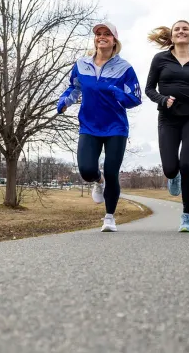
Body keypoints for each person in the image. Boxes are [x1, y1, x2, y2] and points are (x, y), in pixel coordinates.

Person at [57, 20, 142, 232]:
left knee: (113, 172)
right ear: (95, 39)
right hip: (89, 126)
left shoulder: (125, 68)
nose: (101, 37)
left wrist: (119, 93)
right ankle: (97, 179)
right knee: (86, 170)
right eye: (98, 34)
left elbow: (136, 98)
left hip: (115, 128)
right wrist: (65, 101)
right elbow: (74, 88)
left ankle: (109, 217)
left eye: (107, 34)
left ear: (114, 41)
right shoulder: (81, 64)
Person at [145, 20, 189, 232]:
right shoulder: (160, 59)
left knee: (187, 164)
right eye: (177, 30)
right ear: (172, 37)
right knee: (171, 168)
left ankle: (187, 215)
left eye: (186, 29)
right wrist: (163, 100)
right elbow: (149, 89)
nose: (181, 32)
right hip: (168, 118)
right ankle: (173, 177)